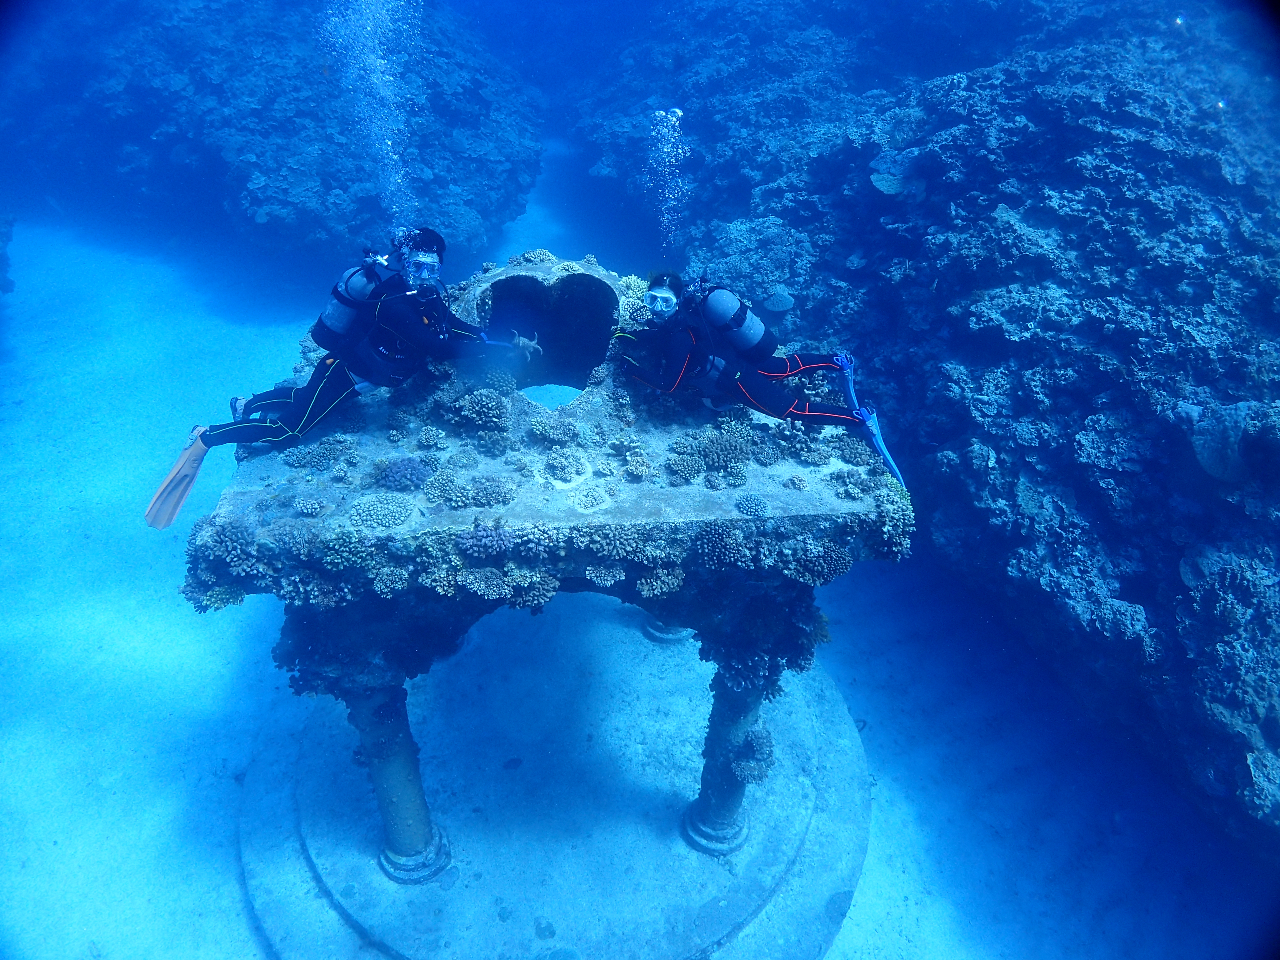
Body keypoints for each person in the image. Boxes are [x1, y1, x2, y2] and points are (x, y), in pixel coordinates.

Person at [145, 227, 514, 529]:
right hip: (343, 373)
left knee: (302, 401)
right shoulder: (395, 303)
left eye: (433, 268)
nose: (426, 276)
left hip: (356, 377)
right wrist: (492, 350)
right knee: (289, 433)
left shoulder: (424, 294)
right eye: (418, 267)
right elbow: (438, 345)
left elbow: (450, 325)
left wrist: (496, 338)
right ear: (404, 265)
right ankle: (206, 437)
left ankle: (246, 404)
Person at [616, 271, 905, 485]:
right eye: (651, 299)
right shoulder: (687, 319)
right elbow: (659, 338)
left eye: (664, 302)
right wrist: (627, 335)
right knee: (781, 367)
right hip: (738, 357)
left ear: (678, 302)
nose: (656, 308)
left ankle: (859, 418)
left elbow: (669, 385)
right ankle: (837, 361)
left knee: (793, 410)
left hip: (734, 378)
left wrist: (631, 369)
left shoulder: (680, 333)